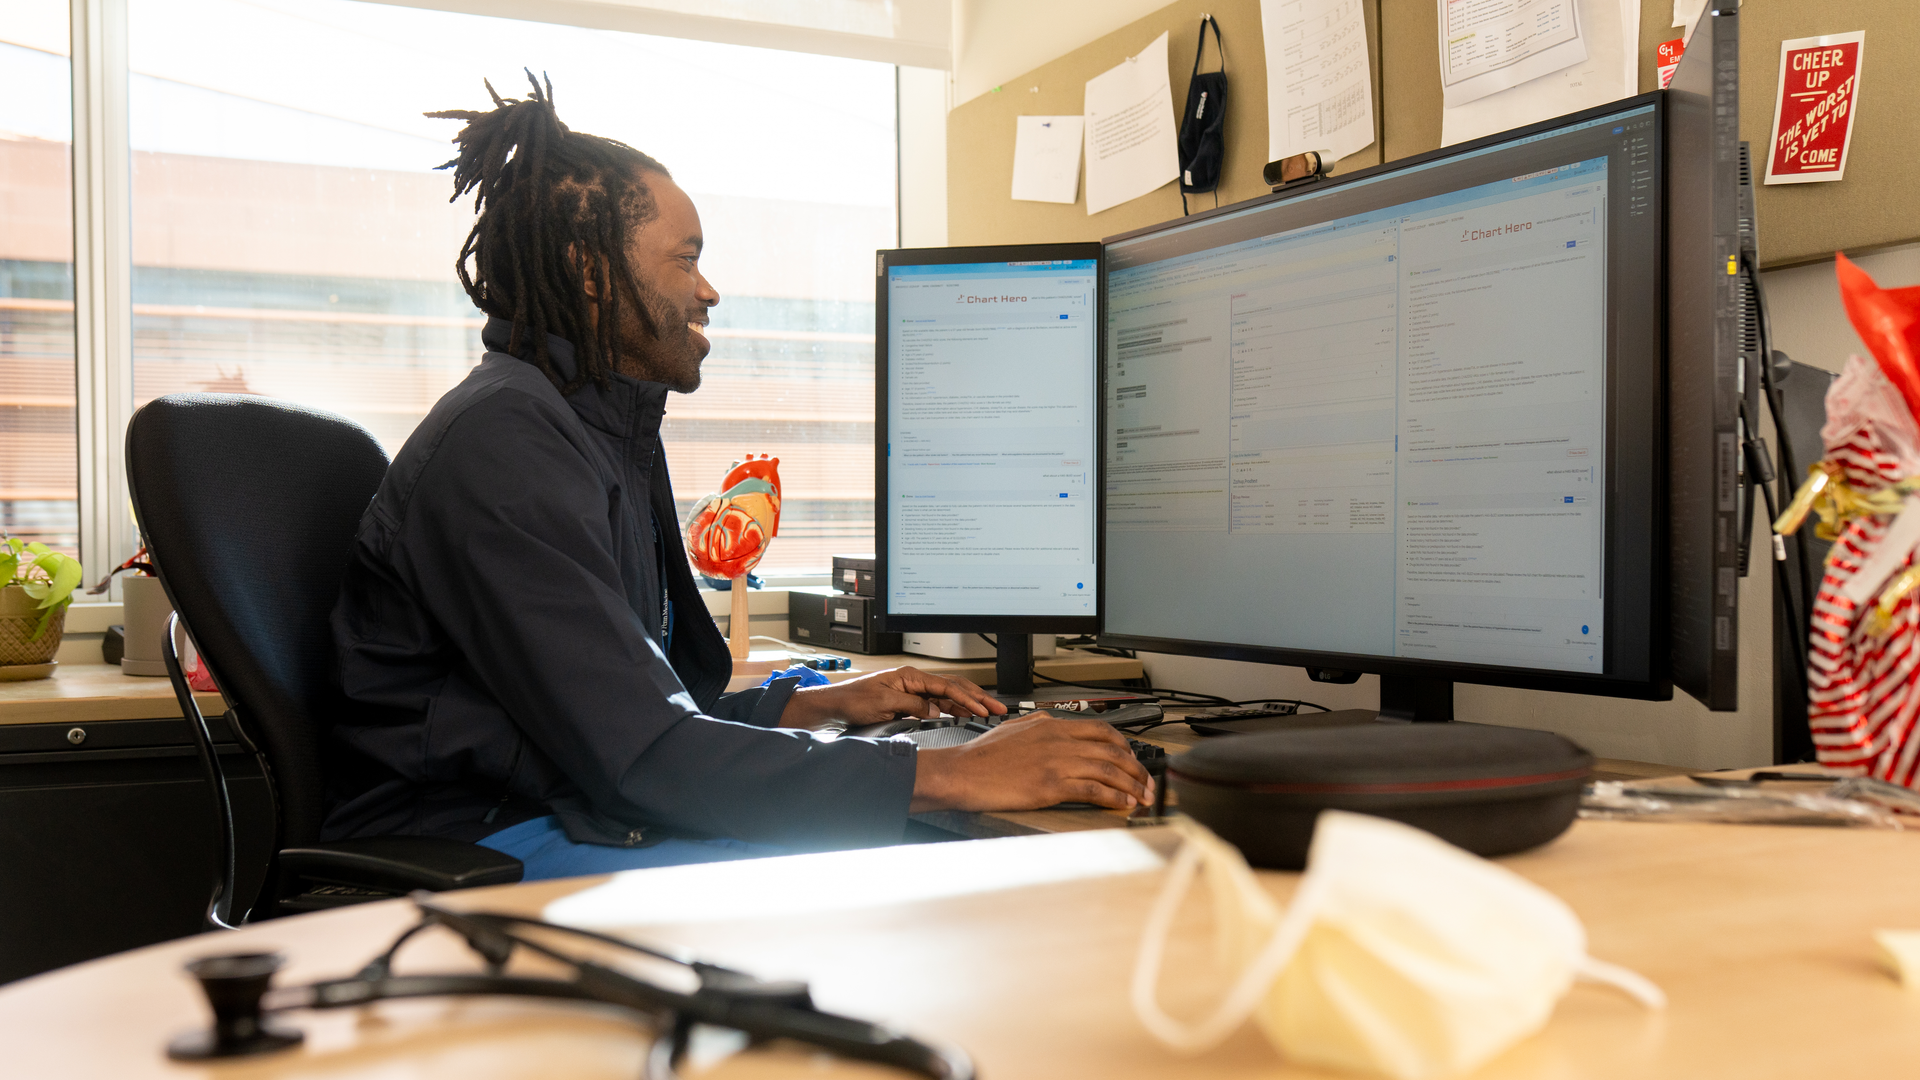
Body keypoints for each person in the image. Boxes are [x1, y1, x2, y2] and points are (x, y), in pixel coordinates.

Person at [324, 74, 1152, 880]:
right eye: (686, 261)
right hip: (482, 837)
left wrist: (822, 702)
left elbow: (638, 708)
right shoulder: (506, 445)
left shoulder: (593, 424)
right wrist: (953, 773)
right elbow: (641, 755)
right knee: (879, 876)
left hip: (557, 798)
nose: (708, 290)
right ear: (589, 271)